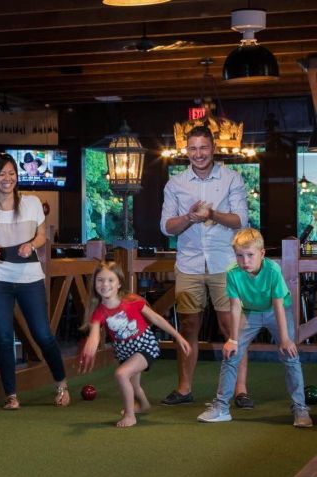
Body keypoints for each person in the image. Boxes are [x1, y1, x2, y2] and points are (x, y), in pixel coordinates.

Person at [160, 125, 252, 408]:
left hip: (225, 263)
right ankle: (184, 389)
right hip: (189, 264)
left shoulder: (231, 178)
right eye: (193, 148)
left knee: (230, 327)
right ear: (186, 151)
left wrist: (212, 214)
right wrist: (189, 217)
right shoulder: (175, 184)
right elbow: (166, 227)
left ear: (213, 148)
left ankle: (240, 390)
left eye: (203, 147)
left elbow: (241, 220)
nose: (198, 154)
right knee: (188, 326)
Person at [0, 154, 69, 410]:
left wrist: (31, 245)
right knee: (3, 337)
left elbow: (42, 236)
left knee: (42, 334)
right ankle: (11, 395)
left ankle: (61, 384)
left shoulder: (32, 202)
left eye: (11, 173)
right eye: (1, 174)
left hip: (30, 277)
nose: (7, 178)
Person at [197, 229, 312, 428]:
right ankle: (222, 407)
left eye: (250, 255)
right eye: (240, 256)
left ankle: (300, 407)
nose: (245, 261)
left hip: (277, 311)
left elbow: (278, 304)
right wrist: (233, 339)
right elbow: (234, 306)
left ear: (262, 253)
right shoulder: (232, 272)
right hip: (249, 312)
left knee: (290, 355)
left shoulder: (273, 270)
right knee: (231, 354)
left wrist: (285, 339)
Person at [79, 261, 191, 427]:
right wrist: (90, 346)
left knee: (121, 374)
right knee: (134, 384)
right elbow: (95, 334)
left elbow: (155, 318)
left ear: (119, 283)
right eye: (100, 280)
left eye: (110, 280)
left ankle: (130, 415)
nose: (105, 284)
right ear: (94, 284)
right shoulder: (99, 312)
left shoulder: (132, 300)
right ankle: (143, 405)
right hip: (125, 352)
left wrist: (178, 336)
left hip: (144, 345)